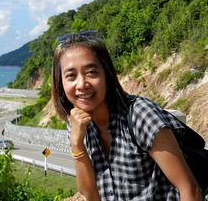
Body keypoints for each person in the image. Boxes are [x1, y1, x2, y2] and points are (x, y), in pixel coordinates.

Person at [51, 30, 202, 200]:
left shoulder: (141, 115)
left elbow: (190, 190)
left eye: (91, 72)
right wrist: (77, 145)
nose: (81, 84)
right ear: (61, 83)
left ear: (106, 74)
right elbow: (91, 195)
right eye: (71, 76)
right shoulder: (77, 123)